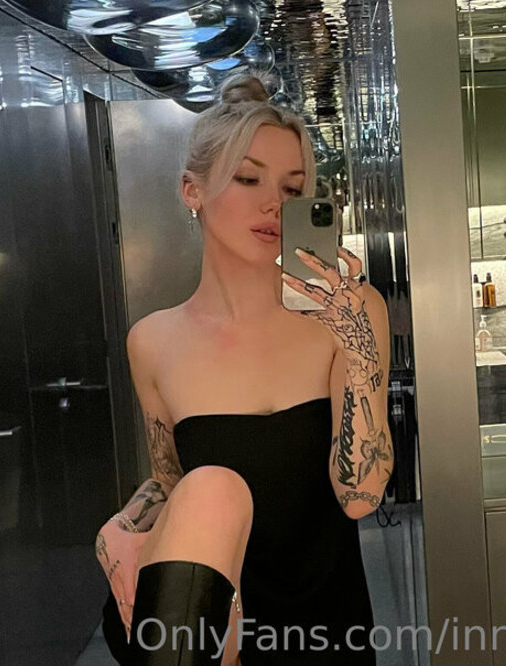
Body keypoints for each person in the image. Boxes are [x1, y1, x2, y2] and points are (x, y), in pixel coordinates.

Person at [94, 70, 393, 665]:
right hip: (210, 629)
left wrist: (356, 343)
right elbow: (173, 482)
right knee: (211, 488)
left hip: (324, 628)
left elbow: (360, 496)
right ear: (192, 191)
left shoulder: (349, 315)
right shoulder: (152, 342)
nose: (273, 204)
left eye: (292, 187)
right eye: (248, 178)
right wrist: (124, 522)